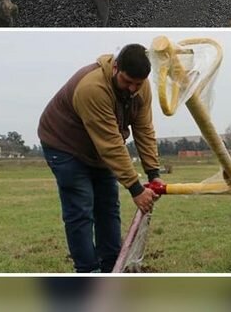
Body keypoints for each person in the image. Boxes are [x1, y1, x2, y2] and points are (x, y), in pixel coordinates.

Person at [38, 44, 161, 273]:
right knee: (81, 208)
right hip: (65, 145)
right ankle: (88, 271)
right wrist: (136, 189)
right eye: (127, 81)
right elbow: (111, 144)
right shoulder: (92, 88)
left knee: (108, 206)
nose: (133, 89)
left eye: (138, 83)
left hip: (98, 148)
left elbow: (144, 129)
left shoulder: (141, 88)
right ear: (115, 68)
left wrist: (153, 173)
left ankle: (112, 267)